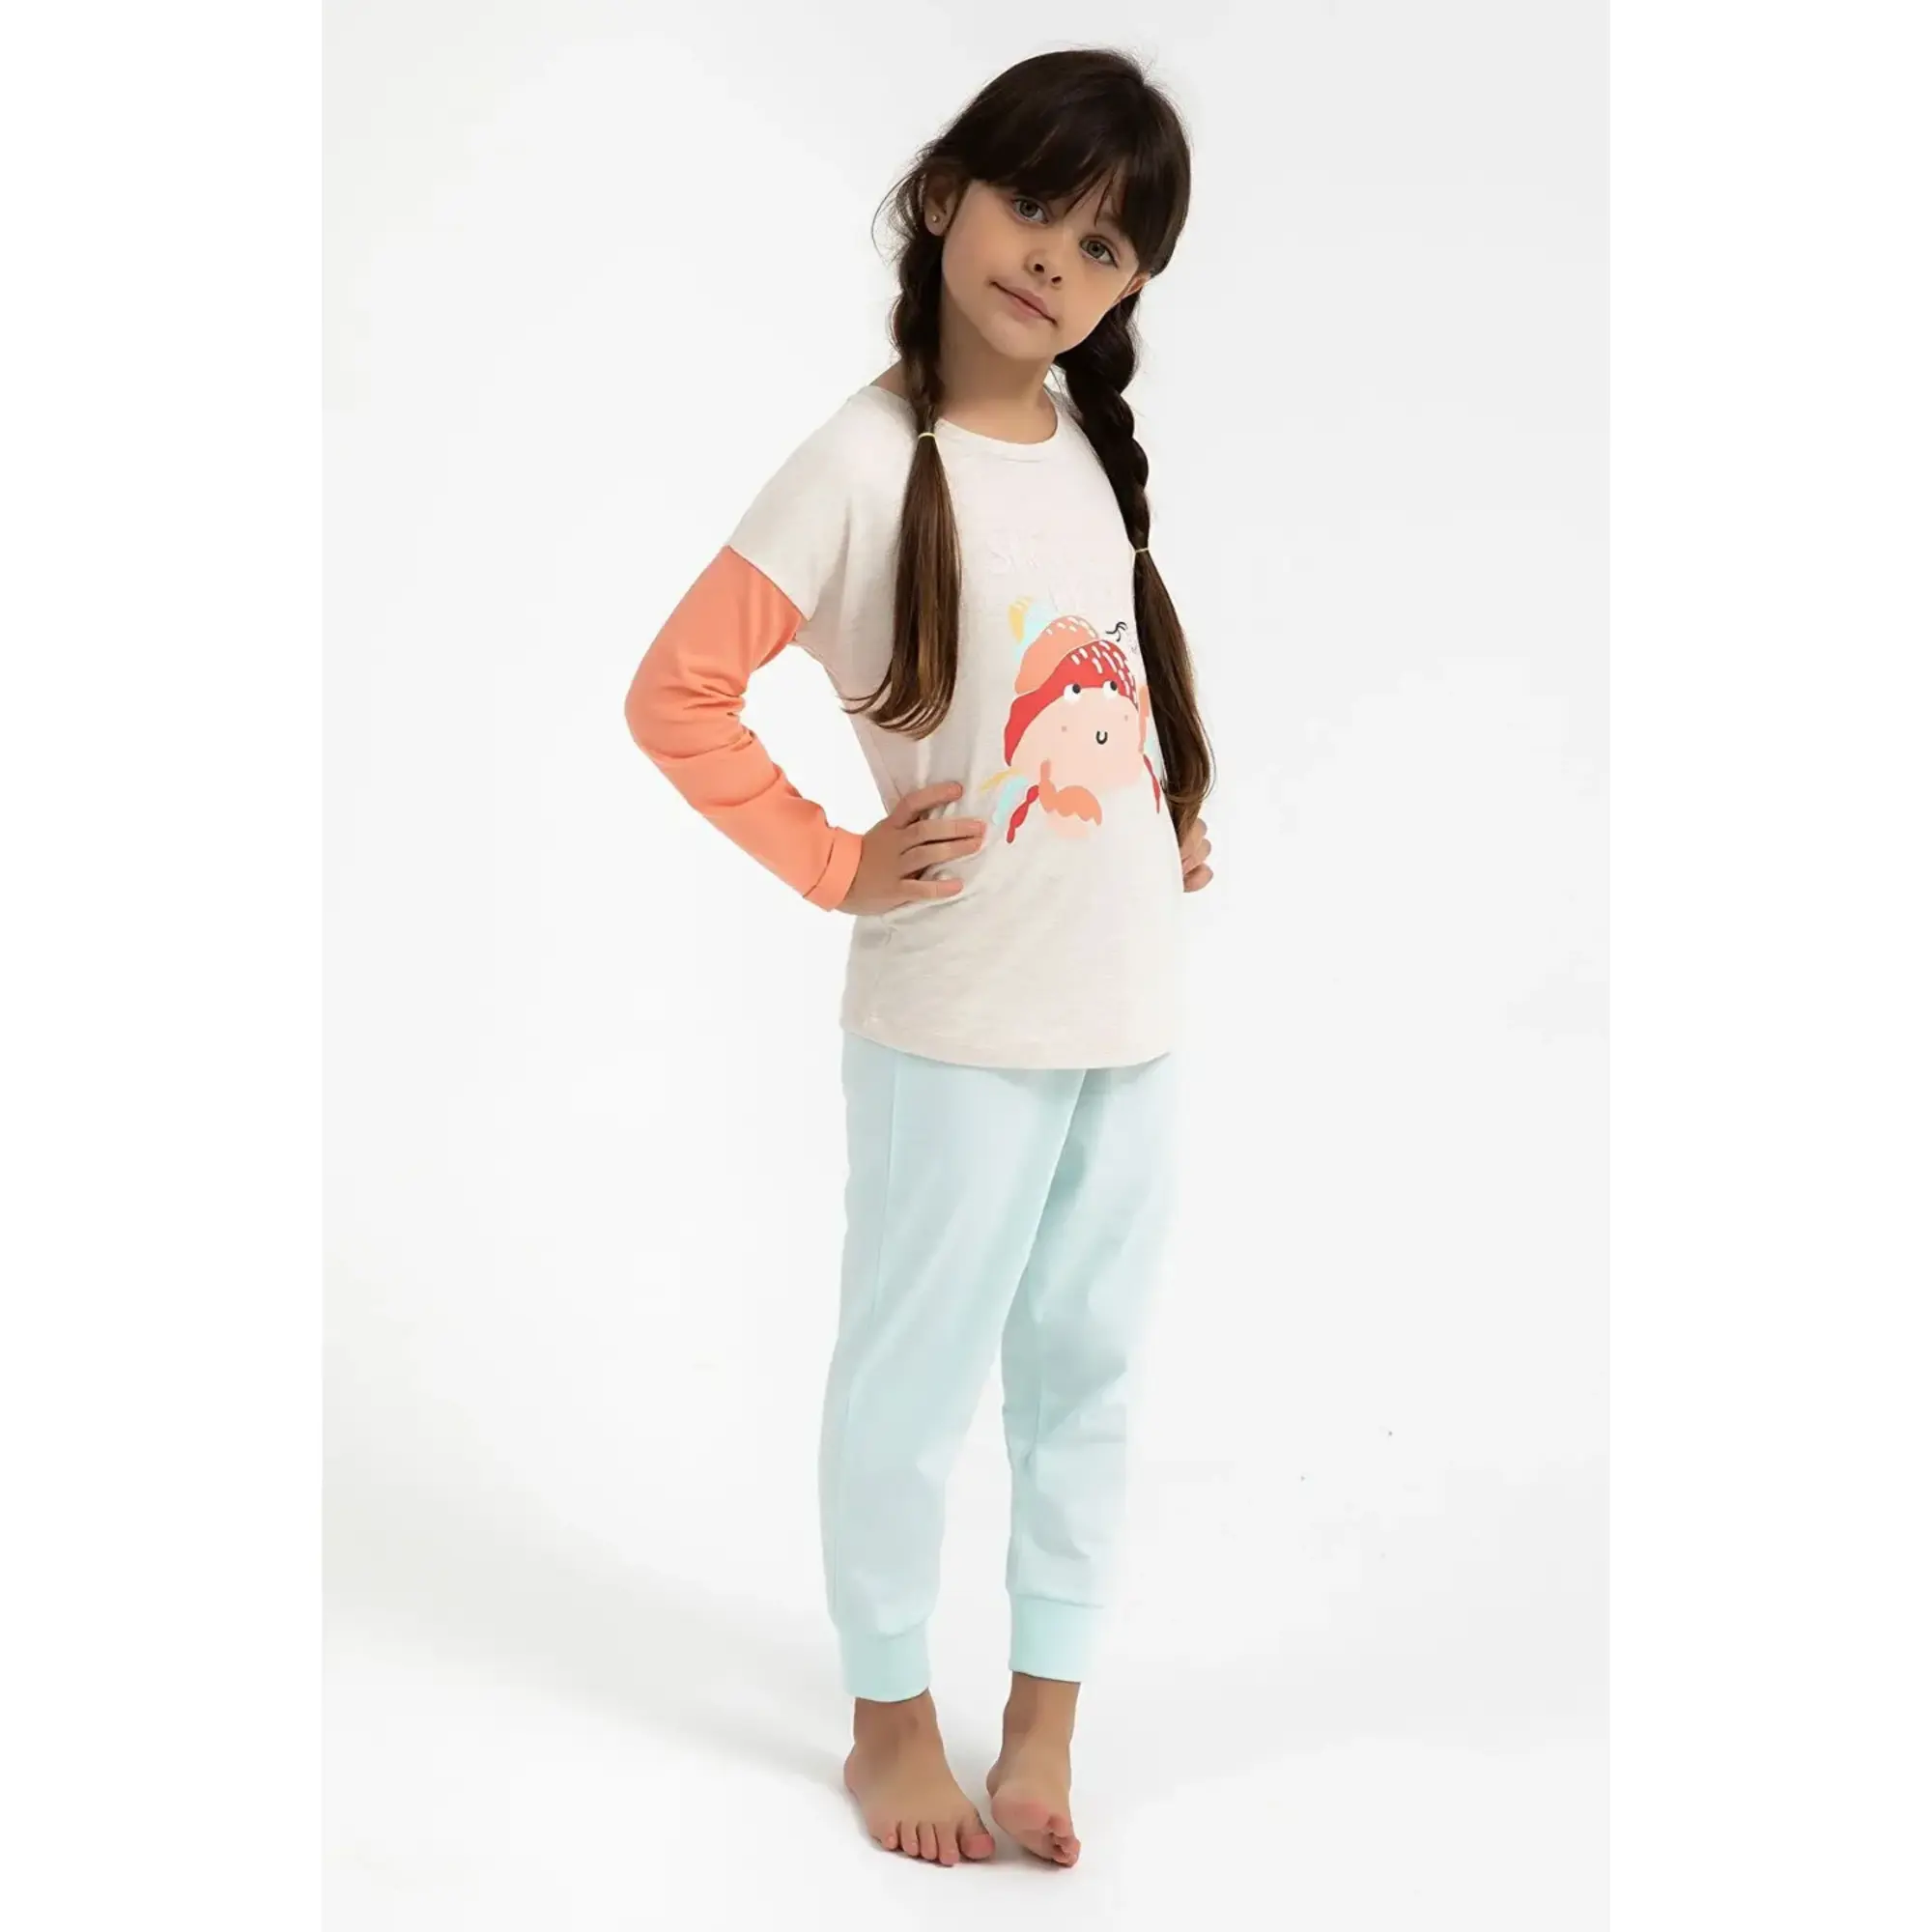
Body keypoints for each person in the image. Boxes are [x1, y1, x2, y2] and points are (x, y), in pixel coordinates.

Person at [622, 47, 1215, 1869]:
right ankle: (889, 1716)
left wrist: (1170, 812)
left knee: (1087, 1370)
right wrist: (834, 859)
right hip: (958, 1017)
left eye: (1104, 246)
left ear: (1129, 288)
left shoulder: (1086, 448)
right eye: (1034, 205)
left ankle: (1046, 1717)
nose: (1056, 260)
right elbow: (678, 693)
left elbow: (1099, 666)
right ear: (946, 192)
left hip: (1129, 1006)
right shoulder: (861, 462)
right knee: (913, 1379)